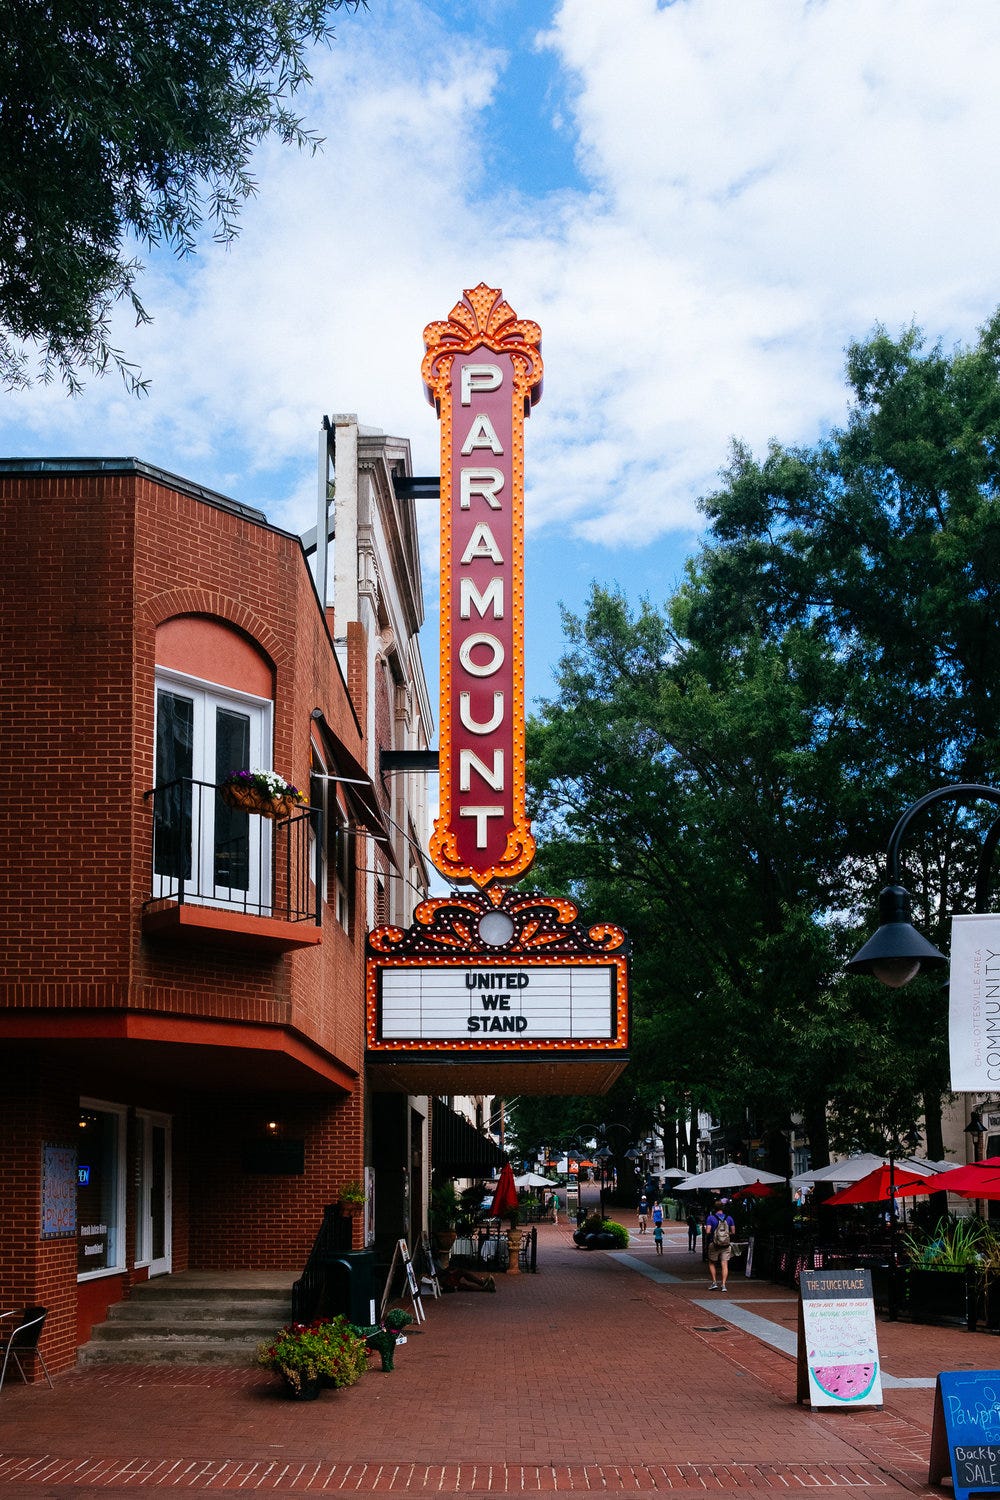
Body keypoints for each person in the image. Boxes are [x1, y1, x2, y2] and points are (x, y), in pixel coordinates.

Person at [705, 1199, 736, 1291]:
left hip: (714, 1243)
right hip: (726, 1244)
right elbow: (733, 1232)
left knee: (711, 1262)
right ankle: (723, 1285)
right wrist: (725, 1235)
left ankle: (714, 1282)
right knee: (724, 1264)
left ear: (714, 1208)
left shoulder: (710, 1218)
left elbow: (708, 1231)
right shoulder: (729, 1218)